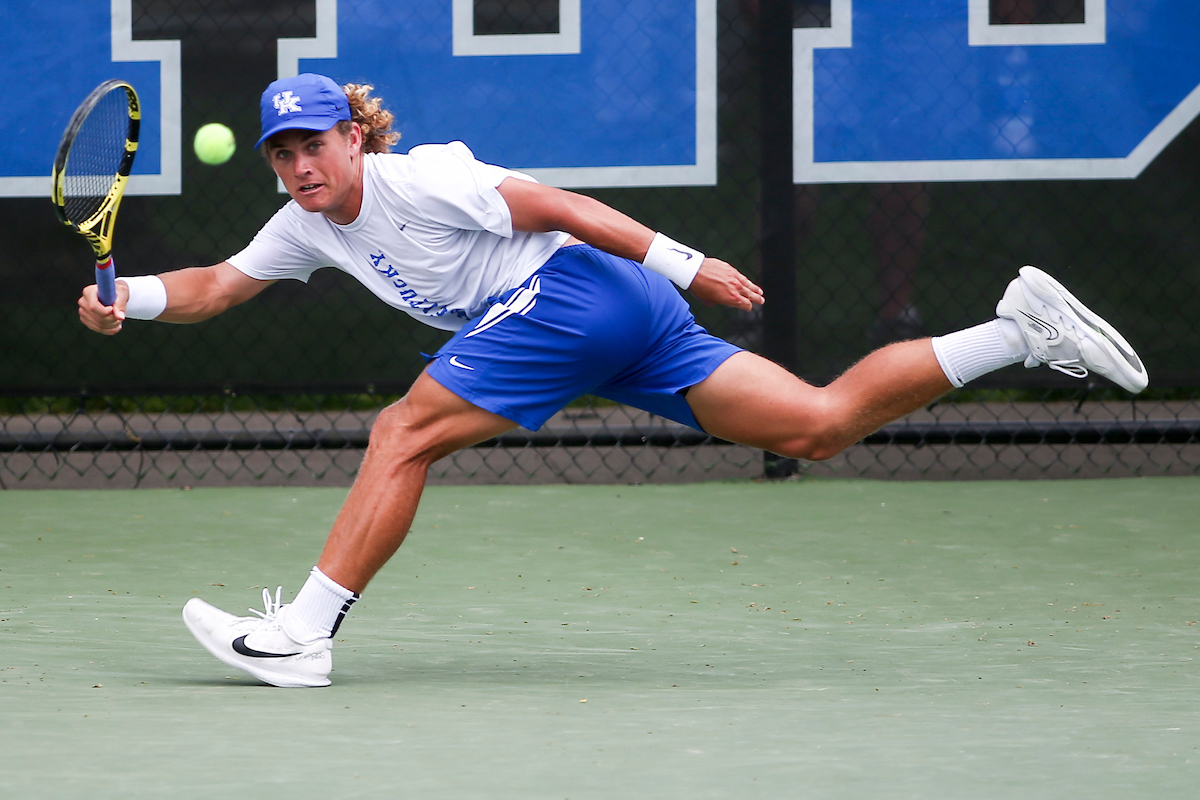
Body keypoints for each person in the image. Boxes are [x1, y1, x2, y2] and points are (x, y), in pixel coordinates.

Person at [78, 73, 1148, 688]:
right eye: (282, 153)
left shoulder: (426, 177)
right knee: (814, 425)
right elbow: (218, 286)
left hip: (580, 290)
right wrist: (134, 299)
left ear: (354, 137)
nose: (300, 166)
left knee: (402, 431)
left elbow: (562, 207)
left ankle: (306, 634)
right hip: (610, 319)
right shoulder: (305, 223)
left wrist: (687, 262)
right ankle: (1017, 330)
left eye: (313, 144)